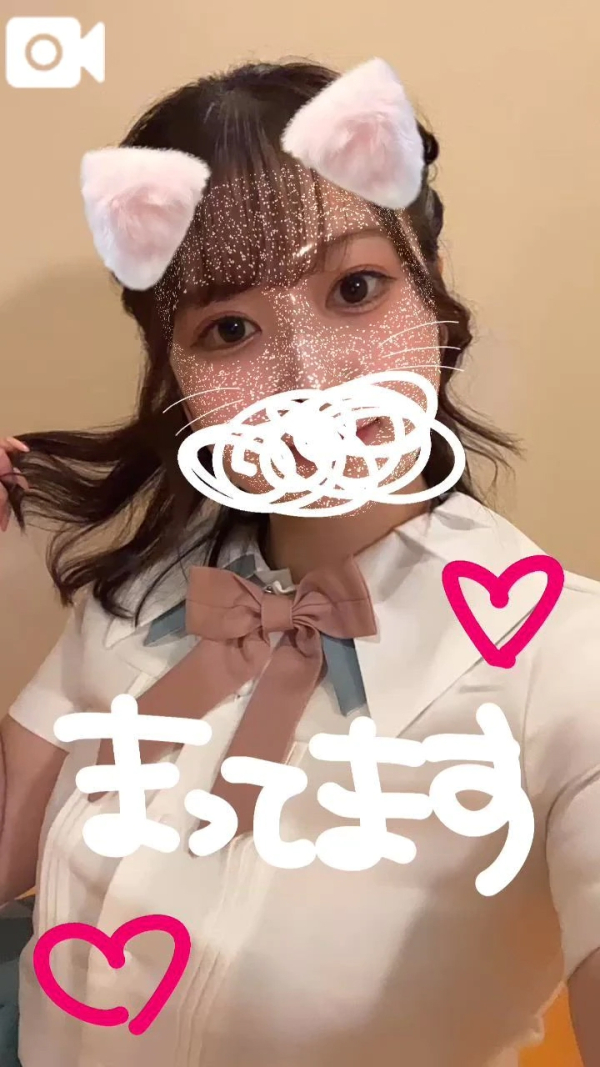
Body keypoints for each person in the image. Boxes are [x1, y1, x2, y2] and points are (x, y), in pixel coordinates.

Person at [1, 56, 599, 1067]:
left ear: (432, 294)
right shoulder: (138, 595)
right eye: (229, 327)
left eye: (356, 288)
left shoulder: (569, 663)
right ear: (175, 372)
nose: (310, 380)